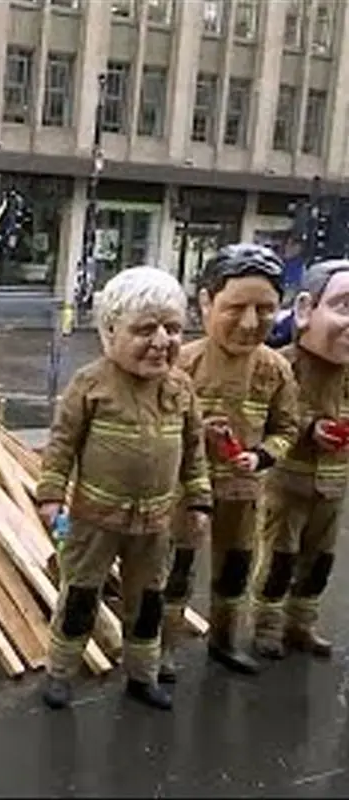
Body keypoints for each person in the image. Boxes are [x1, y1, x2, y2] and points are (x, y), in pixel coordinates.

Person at [35, 266, 211, 712]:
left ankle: (142, 674)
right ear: (109, 332)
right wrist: (51, 495)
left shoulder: (181, 387)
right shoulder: (90, 384)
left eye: (172, 328)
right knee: (79, 596)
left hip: (155, 524)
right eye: (144, 329)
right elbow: (61, 444)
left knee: (148, 600)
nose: (161, 341)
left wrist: (200, 499)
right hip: (95, 521)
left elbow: (194, 449)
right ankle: (60, 672)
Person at [158, 245, 299, 681]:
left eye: (266, 309)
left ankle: (224, 641)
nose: (251, 322)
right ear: (205, 303)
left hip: (243, 493)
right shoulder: (181, 363)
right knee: (176, 571)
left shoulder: (276, 369)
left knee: (235, 569)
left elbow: (287, 430)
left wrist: (259, 456)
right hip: (186, 494)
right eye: (236, 308)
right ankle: (162, 649)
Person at [252, 259, 349, 660]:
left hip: (333, 483)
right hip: (287, 481)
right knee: (279, 556)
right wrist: (311, 429)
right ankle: (267, 626)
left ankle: (302, 623)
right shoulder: (282, 363)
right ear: (307, 309)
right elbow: (265, 417)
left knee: (320, 559)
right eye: (344, 306)